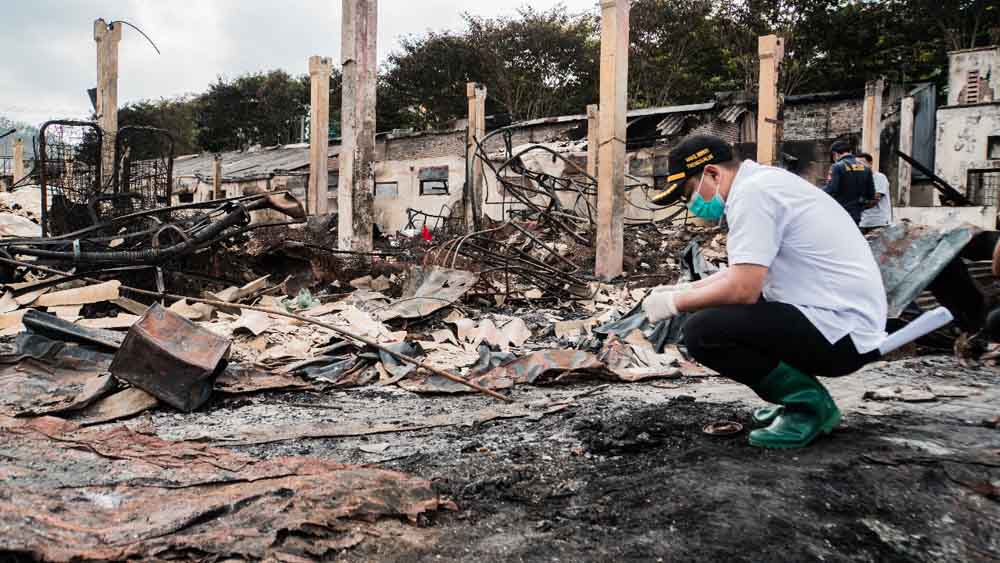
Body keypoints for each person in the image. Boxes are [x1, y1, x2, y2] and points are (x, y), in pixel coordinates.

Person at [646, 134, 887, 450]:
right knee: (724, 314)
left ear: (713, 173)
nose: (691, 204)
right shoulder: (763, 183)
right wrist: (685, 288)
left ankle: (808, 407)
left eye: (689, 193)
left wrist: (674, 303)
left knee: (703, 332)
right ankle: (798, 400)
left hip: (842, 334)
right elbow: (741, 271)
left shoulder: (752, 195)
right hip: (842, 322)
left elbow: (743, 289)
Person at [823, 141, 876, 226]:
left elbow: (831, 190)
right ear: (850, 151)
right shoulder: (866, 168)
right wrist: (859, 206)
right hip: (856, 214)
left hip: (840, 213)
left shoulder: (837, 166)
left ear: (835, 154)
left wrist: (817, 191)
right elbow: (871, 195)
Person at [857, 152, 892, 233]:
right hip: (863, 223)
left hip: (879, 222)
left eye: (861, 163)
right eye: (856, 164)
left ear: (870, 163)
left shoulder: (879, 177)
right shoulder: (858, 180)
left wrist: (856, 204)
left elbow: (874, 200)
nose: (859, 166)